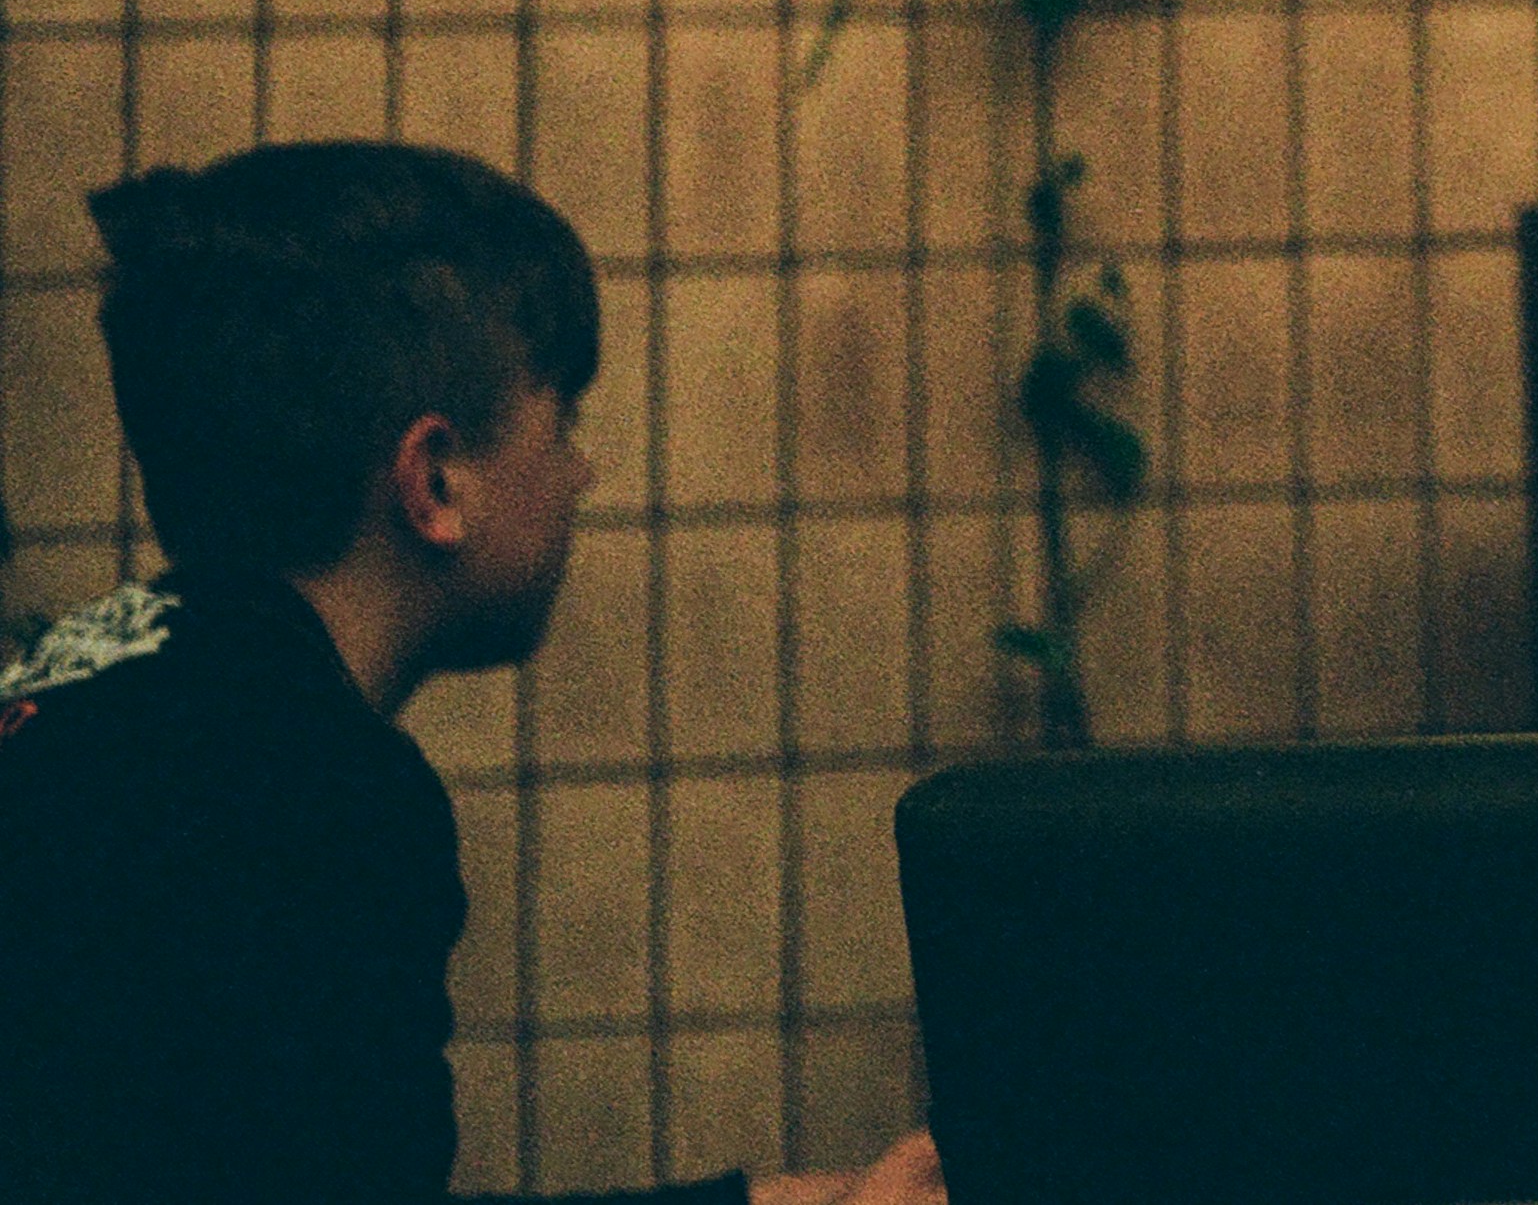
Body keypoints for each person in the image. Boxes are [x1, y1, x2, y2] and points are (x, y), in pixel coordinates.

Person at [0, 141, 948, 1205]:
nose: (582, 472)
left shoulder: (95, 701)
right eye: (564, 419)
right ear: (436, 480)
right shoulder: (311, 790)